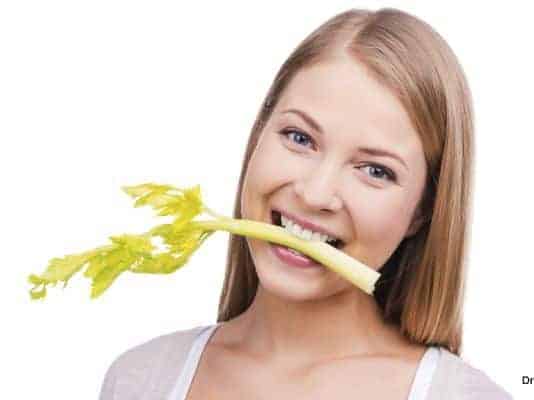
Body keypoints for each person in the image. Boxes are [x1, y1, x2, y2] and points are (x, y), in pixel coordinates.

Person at [99, 8, 512, 400]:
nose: (315, 194)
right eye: (300, 138)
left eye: (375, 170)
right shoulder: (141, 379)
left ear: (422, 210)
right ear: (259, 135)